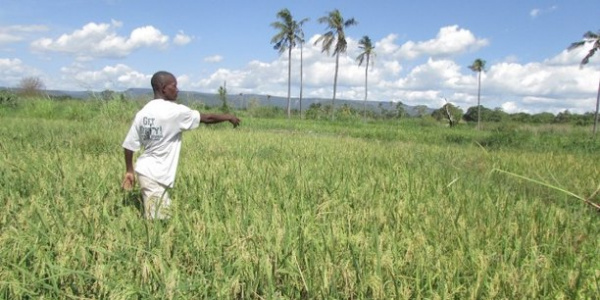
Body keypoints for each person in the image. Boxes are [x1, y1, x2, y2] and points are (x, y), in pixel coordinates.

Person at [121, 71, 240, 219]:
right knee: (159, 222)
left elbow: (129, 144)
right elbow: (207, 118)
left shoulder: (143, 113)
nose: (177, 89)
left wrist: (129, 170)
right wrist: (229, 117)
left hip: (147, 171)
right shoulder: (174, 111)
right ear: (163, 88)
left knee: (159, 217)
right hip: (154, 175)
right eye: (174, 85)